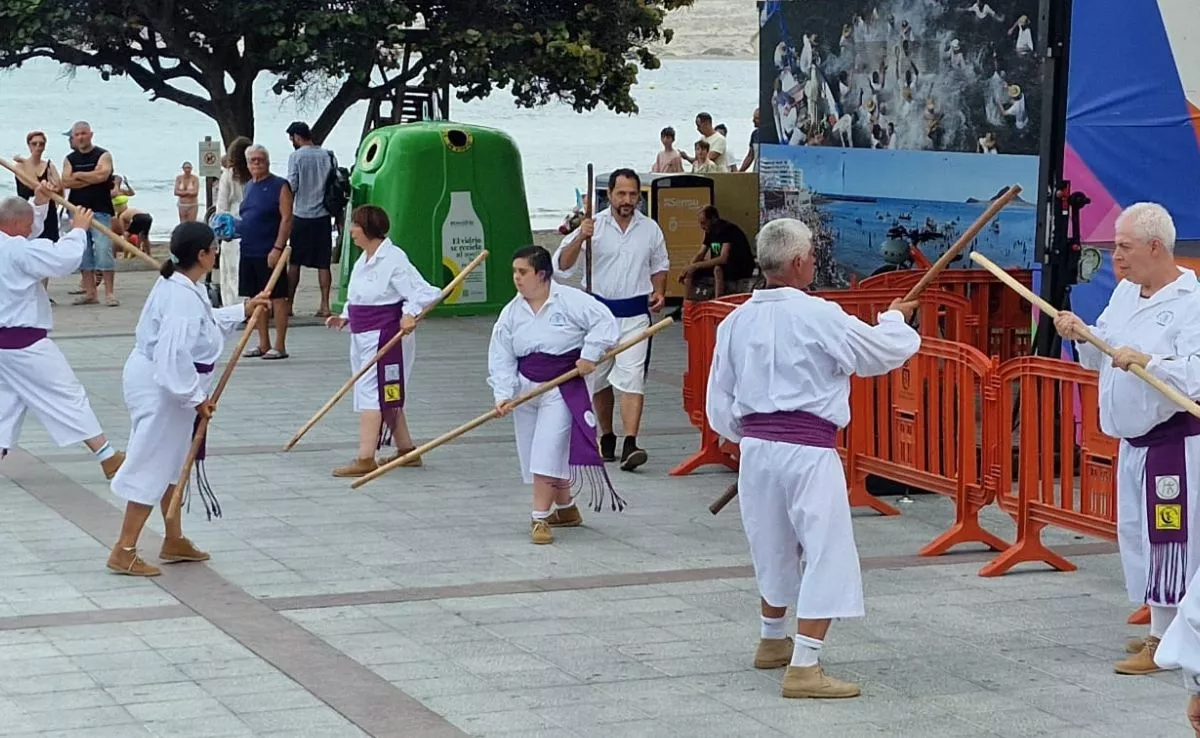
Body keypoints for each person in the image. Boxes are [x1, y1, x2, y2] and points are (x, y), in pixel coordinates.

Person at [706, 218, 919, 699]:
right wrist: (896, 319)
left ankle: (771, 639)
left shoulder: (735, 321)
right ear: (800, 262)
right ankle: (804, 664)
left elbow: (719, 403)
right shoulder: (820, 315)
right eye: (812, 257)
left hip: (758, 449)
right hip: (806, 449)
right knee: (826, 550)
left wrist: (752, 436)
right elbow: (880, 353)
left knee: (773, 542)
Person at [1052, 202, 1200, 675]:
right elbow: (1102, 357)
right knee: (1138, 535)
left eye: (1124, 246)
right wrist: (1082, 335)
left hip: (1173, 443)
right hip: (1133, 442)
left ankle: (1165, 640)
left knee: (1170, 536)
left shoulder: (1191, 304)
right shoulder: (1125, 295)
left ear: (1155, 247)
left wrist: (1150, 363)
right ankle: (1163, 626)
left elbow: (1196, 375)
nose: (1115, 255)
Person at [107, 222, 270, 576]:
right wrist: (194, 397)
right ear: (202, 254)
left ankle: (173, 537)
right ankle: (125, 548)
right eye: (213, 248)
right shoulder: (179, 295)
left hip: (166, 380)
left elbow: (204, 323)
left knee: (173, 460)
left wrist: (242, 310)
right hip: (162, 386)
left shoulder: (184, 286)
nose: (216, 252)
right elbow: (172, 353)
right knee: (153, 459)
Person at [489, 246, 621, 544]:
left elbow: (605, 323)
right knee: (531, 449)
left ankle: (539, 518)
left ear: (542, 274)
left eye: (522, 272)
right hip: (525, 387)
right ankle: (566, 508)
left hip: (563, 386)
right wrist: (503, 394)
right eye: (514, 272)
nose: (516, 278)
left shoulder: (571, 300)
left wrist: (589, 354)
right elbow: (501, 355)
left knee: (547, 449)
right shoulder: (512, 312)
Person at [0, 186, 125, 479]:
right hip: (24, 344)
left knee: (6, 402)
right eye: (29, 223)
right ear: (16, 224)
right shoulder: (17, 250)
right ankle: (107, 455)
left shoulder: (12, 245)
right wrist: (79, 230)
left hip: (7, 345)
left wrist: (40, 204)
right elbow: (60, 260)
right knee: (67, 394)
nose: (32, 229)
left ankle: (107, 455)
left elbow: (31, 241)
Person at [553, 168, 669, 471]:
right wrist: (580, 236)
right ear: (610, 195)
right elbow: (562, 267)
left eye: (633, 194)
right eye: (622, 194)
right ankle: (607, 435)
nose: (628, 200)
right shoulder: (594, 226)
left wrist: (659, 291)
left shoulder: (650, 228)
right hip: (598, 316)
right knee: (599, 377)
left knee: (631, 378)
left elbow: (660, 265)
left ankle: (631, 442)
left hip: (634, 316)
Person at [325, 206, 443, 477]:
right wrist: (344, 317)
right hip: (363, 335)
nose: (351, 231)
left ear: (367, 229)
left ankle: (365, 457)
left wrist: (409, 314)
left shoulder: (394, 259)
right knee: (385, 394)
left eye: (354, 225)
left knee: (372, 393)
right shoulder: (364, 259)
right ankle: (407, 451)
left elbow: (424, 292)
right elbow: (359, 297)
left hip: (385, 336)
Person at [238, 144, 292, 360]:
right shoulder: (248, 186)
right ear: (248, 164)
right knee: (255, 297)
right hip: (248, 249)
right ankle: (263, 343)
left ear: (268, 162)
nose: (257, 163)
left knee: (278, 298)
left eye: (261, 159)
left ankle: (279, 345)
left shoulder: (280, 185)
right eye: (253, 160)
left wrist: (278, 247)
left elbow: (287, 218)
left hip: (270, 250)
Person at [61, 121, 118, 307]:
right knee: (83, 252)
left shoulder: (103, 154)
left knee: (103, 250)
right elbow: (66, 181)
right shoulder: (70, 158)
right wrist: (91, 177)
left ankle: (109, 292)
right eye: (77, 135)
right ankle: (90, 292)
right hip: (77, 210)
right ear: (74, 137)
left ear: (91, 134)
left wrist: (79, 175)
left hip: (100, 209)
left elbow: (103, 175)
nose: (81, 137)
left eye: (84, 133)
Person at [285, 122, 336, 318]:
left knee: (295, 262)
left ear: (297, 137)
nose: (292, 142)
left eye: (292, 139)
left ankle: (289, 304)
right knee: (324, 264)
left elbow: (292, 185)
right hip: (323, 215)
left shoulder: (296, 157)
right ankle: (324, 304)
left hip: (302, 215)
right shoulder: (328, 155)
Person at [680, 206, 756, 300]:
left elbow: (723, 258)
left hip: (739, 267)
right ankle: (686, 304)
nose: (702, 227)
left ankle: (717, 301)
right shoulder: (709, 231)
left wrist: (696, 266)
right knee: (691, 271)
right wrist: (688, 268)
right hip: (723, 265)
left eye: (704, 223)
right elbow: (701, 253)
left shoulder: (727, 229)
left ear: (713, 219)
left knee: (717, 269)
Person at [215, 137, 251, 309]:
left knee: (230, 270)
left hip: (233, 223)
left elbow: (221, 206)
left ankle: (233, 306)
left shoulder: (228, 176)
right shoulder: (255, 174)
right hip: (251, 223)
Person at [739, 109, 761, 173]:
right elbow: (750, 156)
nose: (753, 121)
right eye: (753, 118)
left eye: (756, 118)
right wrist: (740, 172)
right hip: (756, 172)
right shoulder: (755, 134)